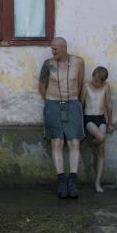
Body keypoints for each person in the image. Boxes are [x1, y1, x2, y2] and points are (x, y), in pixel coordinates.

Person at [38, 37, 85, 199]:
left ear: (64, 47)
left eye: (55, 49)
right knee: (57, 142)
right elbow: (41, 86)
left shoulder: (79, 62)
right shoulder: (48, 64)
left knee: (74, 142)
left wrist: (77, 105)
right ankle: (61, 180)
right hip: (53, 104)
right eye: (52, 49)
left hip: (72, 104)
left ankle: (73, 180)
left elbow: (80, 85)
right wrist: (50, 102)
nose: (52, 52)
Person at [82, 66, 114, 193]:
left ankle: (97, 182)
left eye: (97, 81)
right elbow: (80, 104)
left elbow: (109, 105)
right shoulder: (86, 86)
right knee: (101, 137)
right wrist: (79, 124)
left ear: (103, 81)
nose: (94, 83)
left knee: (101, 148)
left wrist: (110, 123)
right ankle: (90, 142)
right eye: (93, 79)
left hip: (101, 118)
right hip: (89, 118)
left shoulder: (106, 87)